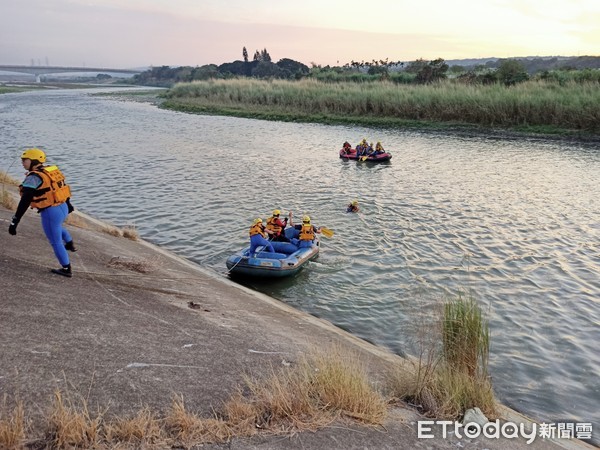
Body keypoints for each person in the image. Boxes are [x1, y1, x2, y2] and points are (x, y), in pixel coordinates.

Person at [8, 148, 76, 277]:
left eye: (25, 160)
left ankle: (66, 269)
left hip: (51, 212)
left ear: (33, 161)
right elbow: (62, 188)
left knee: (55, 240)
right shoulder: (50, 171)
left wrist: (15, 221)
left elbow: (25, 201)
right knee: (57, 227)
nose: (22, 163)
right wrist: (68, 204)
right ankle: (69, 242)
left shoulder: (34, 177)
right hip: (63, 207)